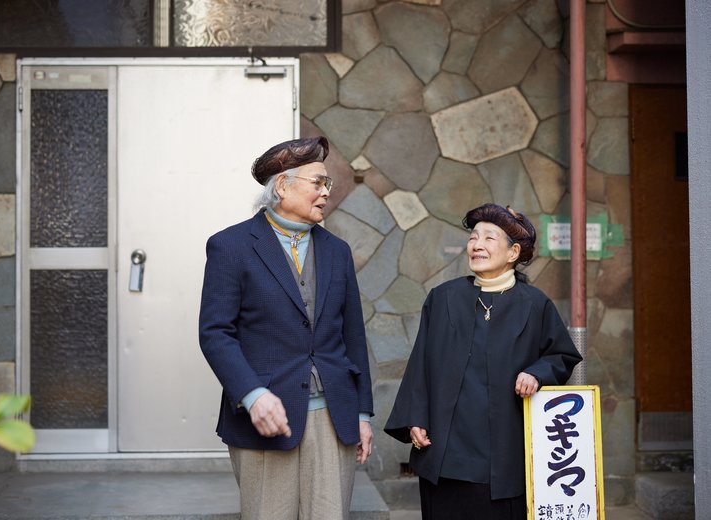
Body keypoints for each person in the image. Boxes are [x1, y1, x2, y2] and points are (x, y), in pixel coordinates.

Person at [199, 136, 374, 520]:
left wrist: (362, 413)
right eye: (318, 182)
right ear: (283, 185)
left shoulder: (337, 251)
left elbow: (353, 337)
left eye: (327, 183)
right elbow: (215, 333)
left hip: (333, 418)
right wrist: (252, 394)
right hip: (265, 419)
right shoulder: (230, 246)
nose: (327, 192)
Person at [384, 203, 582, 520]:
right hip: (445, 450)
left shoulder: (534, 304)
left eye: (489, 238)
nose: (477, 244)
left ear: (513, 252)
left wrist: (536, 372)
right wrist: (414, 418)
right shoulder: (442, 297)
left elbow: (561, 355)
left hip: (505, 453)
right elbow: (420, 362)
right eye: (474, 237)